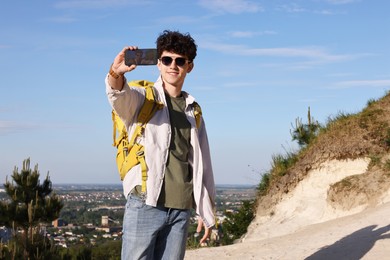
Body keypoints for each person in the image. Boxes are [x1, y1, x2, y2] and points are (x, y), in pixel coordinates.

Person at [105, 30, 216, 260]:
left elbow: (202, 165)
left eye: (180, 61)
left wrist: (207, 212)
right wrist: (116, 72)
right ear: (158, 63)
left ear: (189, 66)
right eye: (167, 59)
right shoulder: (144, 99)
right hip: (145, 204)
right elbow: (119, 96)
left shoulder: (193, 110)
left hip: (180, 210)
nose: (173, 66)